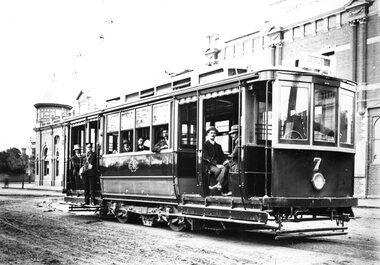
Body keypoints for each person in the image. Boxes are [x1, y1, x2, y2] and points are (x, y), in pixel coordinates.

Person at [203, 126, 230, 195]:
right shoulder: (204, 145)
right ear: (208, 134)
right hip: (209, 165)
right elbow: (206, 157)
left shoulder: (218, 146)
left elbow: (223, 156)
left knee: (227, 167)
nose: (213, 134)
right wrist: (216, 164)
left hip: (219, 164)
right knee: (218, 170)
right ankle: (224, 191)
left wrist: (225, 161)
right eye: (211, 133)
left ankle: (219, 184)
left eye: (214, 133)